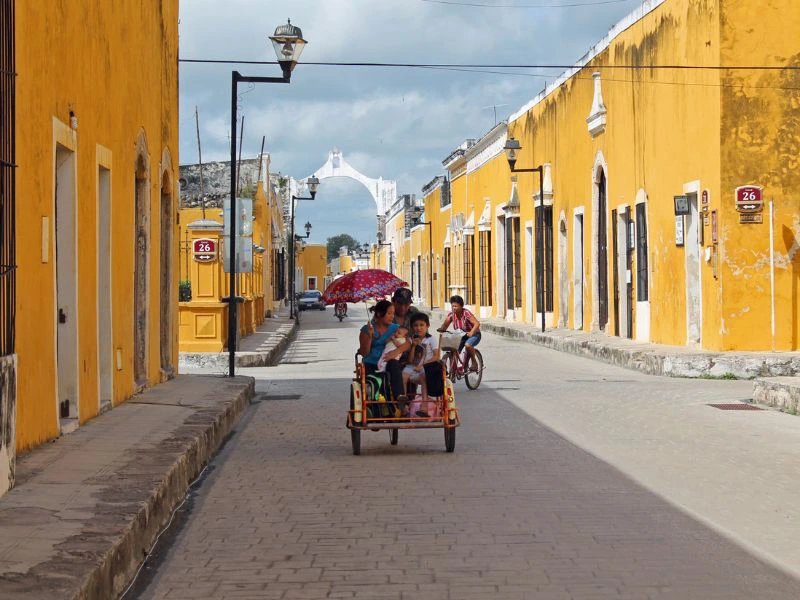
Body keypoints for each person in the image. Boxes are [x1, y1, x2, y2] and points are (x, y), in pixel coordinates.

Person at [359, 300, 410, 407]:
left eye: (393, 313)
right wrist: (369, 336)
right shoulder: (366, 330)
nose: (392, 316)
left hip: (389, 362)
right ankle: (379, 406)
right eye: (389, 313)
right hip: (371, 363)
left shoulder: (396, 328)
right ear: (379, 314)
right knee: (378, 380)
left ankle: (399, 397)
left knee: (395, 365)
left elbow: (408, 344)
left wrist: (395, 352)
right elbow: (364, 353)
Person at [403, 312, 440, 417]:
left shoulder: (431, 339)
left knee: (424, 377)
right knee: (403, 376)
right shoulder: (411, 339)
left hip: (426, 367)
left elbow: (436, 356)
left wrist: (423, 366)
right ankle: (404, 405)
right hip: (413, 367)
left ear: (427, 326)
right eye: (415, 325)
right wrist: (413, 346)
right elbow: (410, 360)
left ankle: (424, 407)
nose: (418, 328)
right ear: (412, 327)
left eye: (421, 325)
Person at [438, 295, 481, 372]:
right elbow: (445, 325)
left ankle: (474, 362)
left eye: (456, 306)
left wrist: (471, 332)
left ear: (461, 306)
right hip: (461, 335)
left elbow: (477, 324)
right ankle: (454, 370)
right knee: (452, 348)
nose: (454, 308)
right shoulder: (451, 315)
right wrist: (442, 329)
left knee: (468, 345)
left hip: (474, 334)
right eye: (453, 306)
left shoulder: (466, 313)